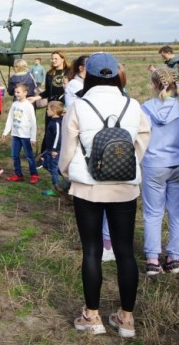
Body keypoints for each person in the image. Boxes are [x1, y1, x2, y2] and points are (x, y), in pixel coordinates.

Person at [59, 52, 150, 338]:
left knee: (92, 250)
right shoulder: (132, 104)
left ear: (89, 74)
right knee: (124, 252)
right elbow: (143, 138)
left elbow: (67, 149)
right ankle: (126, 319)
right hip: (124, 187)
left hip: (88, 187)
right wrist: (127, 164)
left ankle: (92, 316)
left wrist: (67, 172)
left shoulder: (79, 106)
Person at [140, 67, 179, 276]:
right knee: (177, 212)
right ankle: (174, 257)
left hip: (154, 164)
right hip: (177, 163)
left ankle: (153, 259)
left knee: (153, 213)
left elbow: (142, 136)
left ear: (154, 85)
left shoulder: (145, 108)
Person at [2, 83, 38, 183]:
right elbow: (10, 118)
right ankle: (18, 174)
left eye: (18, 92)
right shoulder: (14, 104)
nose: (16, 94)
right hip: (15, 135)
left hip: (26, 136)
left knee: (29, 156)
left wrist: (33, 137)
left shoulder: (28, 106)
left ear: (25, 93)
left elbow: (33, 122)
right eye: (15, 92)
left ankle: (34, 175)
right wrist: (6, 131)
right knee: (14, 155)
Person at [41, 101, 65, 197]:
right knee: (46, 165)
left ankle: (56, 189)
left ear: (54, 111)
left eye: (48, 109)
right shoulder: (52, 121)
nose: (46, 111)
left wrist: (54, 150)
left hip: (54, 150)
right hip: (49, 149)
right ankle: (65, 178)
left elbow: (58, 136)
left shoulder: (57, 122)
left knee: (54, 169)